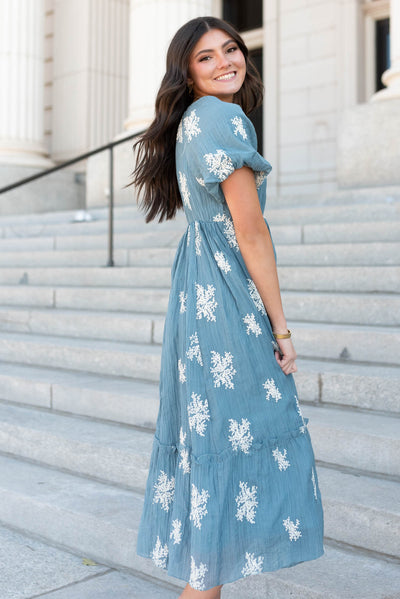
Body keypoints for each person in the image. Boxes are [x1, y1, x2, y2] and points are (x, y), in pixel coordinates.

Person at [130, 16, 324, 599]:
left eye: (230, 50)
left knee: (215, 448)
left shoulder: (192, 122)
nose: (224, 63)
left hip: (197, 293)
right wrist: (281, 327)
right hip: (225, 300)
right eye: (206, 58)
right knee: (236, 442)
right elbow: (251, 231)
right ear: (187, 73)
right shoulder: (220, 117)